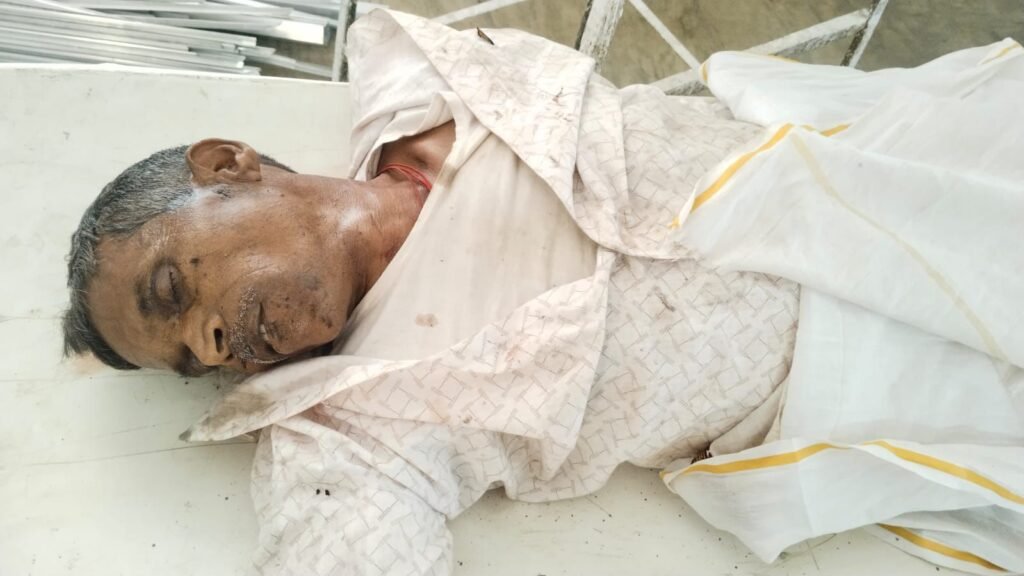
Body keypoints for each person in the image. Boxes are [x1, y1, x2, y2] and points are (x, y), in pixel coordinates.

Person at [62, 9, 1024, 576]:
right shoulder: (351, 429)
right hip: (868, 389)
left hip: (882, 179)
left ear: (227, 166)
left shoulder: (434, 88)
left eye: (172, 290)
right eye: (193, 360)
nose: (216, 344)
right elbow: (344, 546)